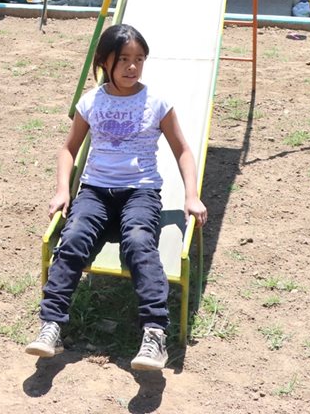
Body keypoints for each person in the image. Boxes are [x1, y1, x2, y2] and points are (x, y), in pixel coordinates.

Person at [26, 24, 208, 371]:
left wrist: (191, 196)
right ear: (105, 61)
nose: (132, 66)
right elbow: (68, 149)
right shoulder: (91, 102)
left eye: (139, 59)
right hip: (95, 191)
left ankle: (154, 334)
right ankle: (51, 325)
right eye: (123, 59)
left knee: (139, 243)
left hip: (140, 192)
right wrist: (63, 189)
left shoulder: (156, 103)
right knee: (73, 238)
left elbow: (183, 150)